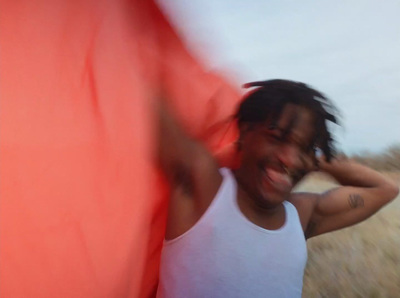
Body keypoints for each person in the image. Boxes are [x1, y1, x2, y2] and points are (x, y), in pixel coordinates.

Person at [156, 79, 399, 298]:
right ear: (245, 131)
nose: (291, 160)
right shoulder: (203, 186)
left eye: (304, 149)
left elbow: (385, 189)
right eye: (277, 138)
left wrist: (319, 155)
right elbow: (142, 90)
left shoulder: (300, 215)